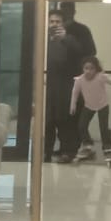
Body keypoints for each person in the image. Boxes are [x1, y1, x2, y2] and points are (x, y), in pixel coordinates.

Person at [70, 56, 111, 163]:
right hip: (89, 106)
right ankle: (87, 144)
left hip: (103, 105)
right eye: (86, 68)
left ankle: (107, 147)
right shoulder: (79, 80)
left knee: (104, 128)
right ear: (83, 69)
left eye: (91, 68)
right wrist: (73, 105)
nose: (88, 71)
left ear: (96, 69)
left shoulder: (100, 77)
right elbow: (75, 93)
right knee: (82, 125)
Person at [44, 10, 82, 163]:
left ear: (63, 24)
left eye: (57, 22)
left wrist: (65, 39)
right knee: (47, 121)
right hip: (47, 87)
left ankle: (67, 152)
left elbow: (79, 55)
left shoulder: (70, 40)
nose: (54, 24)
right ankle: (46, 153)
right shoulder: (43, 40)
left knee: (65, 121)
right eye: (51, 21)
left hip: (65, 87)